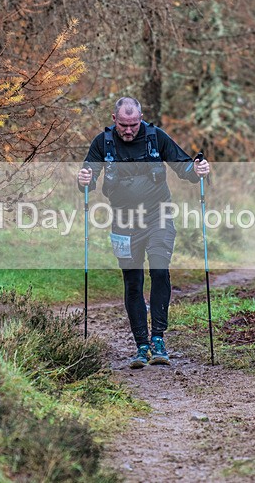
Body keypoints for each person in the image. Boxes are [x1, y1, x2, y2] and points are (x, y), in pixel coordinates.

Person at [77, 96, 210, 369]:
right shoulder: (103, 143)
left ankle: (158, 338)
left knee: (160, 270)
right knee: (133, 282)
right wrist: (84, 180)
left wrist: (198, 169)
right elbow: (87, 177)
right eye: (124, 125)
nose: (129, 130)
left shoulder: (155, 137)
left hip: (158, 216)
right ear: (114, 120)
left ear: (140, 119)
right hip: (123, 221)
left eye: (134, 124)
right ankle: (141, 345)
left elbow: (183, 167)